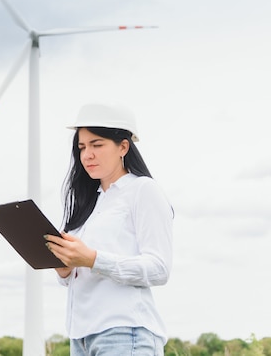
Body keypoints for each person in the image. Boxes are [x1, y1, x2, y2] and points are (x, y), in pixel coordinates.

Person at [44, 103, 174, 356]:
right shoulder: (90, 203)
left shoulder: (142, 190)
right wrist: (65, 270)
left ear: (123, 146)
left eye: (97, 145)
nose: (87, 155)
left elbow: (159, 269)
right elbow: (80, 273)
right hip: (81, 337)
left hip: (125, 333)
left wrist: (93, 259)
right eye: (82, 147)